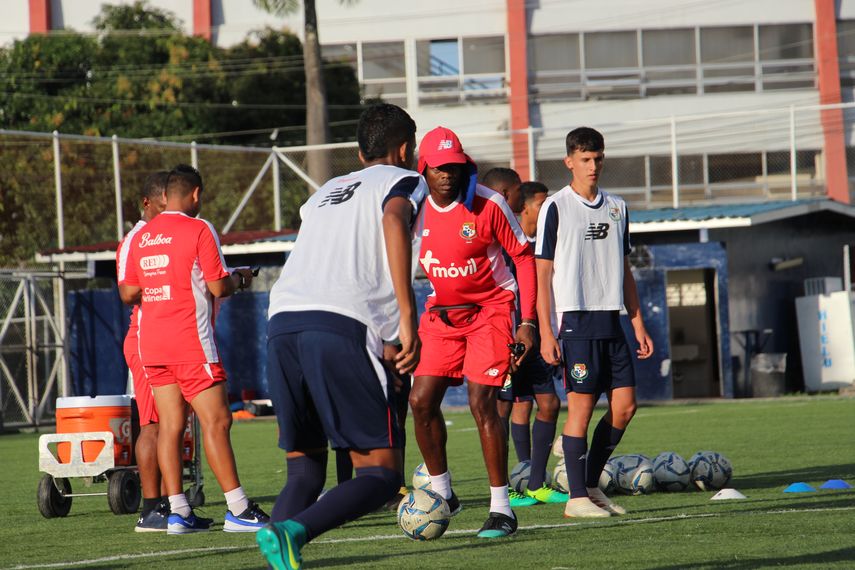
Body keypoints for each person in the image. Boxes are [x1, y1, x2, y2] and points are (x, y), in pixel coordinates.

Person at [256, 103, 426, 570]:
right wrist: (406, 319)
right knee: (381, 472)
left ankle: (280, 547)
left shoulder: (325, 191)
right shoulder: (404, 180)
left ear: (357, 152)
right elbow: (393, 222)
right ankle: (293, 531)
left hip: (283, 321)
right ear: (405, 149)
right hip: (338, 326)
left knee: (305, 469)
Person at [119, 164, 268, 534]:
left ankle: (178, 512)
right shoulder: (200, 228)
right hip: (191, 343)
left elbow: (131, 291)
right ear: (196, 194)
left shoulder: (141, 236)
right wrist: (241, 278)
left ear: (164, 196)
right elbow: (219, 287)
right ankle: (238, 508)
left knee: (170, 426)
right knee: (217, 421)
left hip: (152, 344)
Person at [409, 126, 536, 539]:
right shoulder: (411, 209)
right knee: (420, 401)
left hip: (490, 311)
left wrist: (528, 322)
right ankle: (444, 493)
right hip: (441, 316)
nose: (448, 174)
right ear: (423, 168)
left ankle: (502, 509)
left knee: (483, 403)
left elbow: (524, 258)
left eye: (455, 166)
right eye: (440, 167)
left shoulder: (488, 203)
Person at [535, 127, 653, 518]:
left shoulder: (618, 206)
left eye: (598, 158)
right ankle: (576, 500)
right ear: (569, 161)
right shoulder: (556, 206)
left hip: (612, 321)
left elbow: (624, 271)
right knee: (580, 411)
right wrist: (546, 332)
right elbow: (543, 275)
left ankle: (588, 484)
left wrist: (636, 323)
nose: (593, 165)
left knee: (625, 406)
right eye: (585, 159)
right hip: (576, 322)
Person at [493, 181, 565, 507]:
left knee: (548, 404)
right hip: (505, 340)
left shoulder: (541, 244)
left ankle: (535, 483)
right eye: (541, 203)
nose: (547, 207)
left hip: (533, 337)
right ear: (523, 207)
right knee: (503, 410)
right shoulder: (504, 244)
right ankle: (504, 490)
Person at [116, 171, 170, 531]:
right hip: (144, 336)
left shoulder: (170, 235)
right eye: (165, 200)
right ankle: (151, 509)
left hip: (170, 336)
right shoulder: (136, 238)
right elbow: (127, 292)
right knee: (152, 424)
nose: (172, 206)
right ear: (148, 202)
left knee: (171, 425)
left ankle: (172, 505)